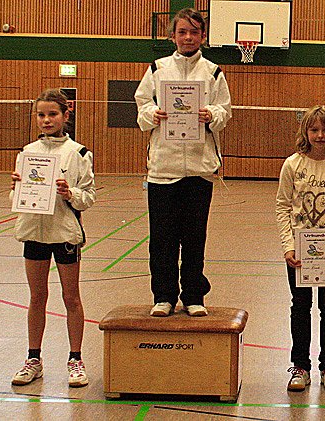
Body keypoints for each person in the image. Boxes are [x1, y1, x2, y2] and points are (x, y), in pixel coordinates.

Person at [135, 8, 232, 317]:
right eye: (182, 32)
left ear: (202, 36)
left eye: (194, 32)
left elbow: (225, 111)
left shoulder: (213, 72)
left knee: (194, 238)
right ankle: (163, 296)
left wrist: (211, 114)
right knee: (162, 240)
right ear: (173, 36)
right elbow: (141, 106)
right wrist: (153, 114)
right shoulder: (157, 69)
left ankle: (193, 295)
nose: (188, 37)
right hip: (163, 170)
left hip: (199, 171)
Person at [10, 88, 96, 387]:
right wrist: (17, 188)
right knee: (37, 297)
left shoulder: (79, 153)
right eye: (41, 115)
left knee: (71, 297)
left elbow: (88, 197)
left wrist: (69, 193)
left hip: (65, 233)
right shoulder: (27, 153)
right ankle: (33, 359)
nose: (46, 120)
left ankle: (75, 360)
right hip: (34, 232)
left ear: (65, 115)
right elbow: (17, 199)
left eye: (52, 114)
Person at [276, 105, 325, 391]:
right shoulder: (292, 165)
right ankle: (300, 366)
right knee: (300, 306)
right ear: (305, 132)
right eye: (314, 130)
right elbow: (283, 206)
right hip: (299, 252)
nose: (320, 135)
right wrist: (288, 246)